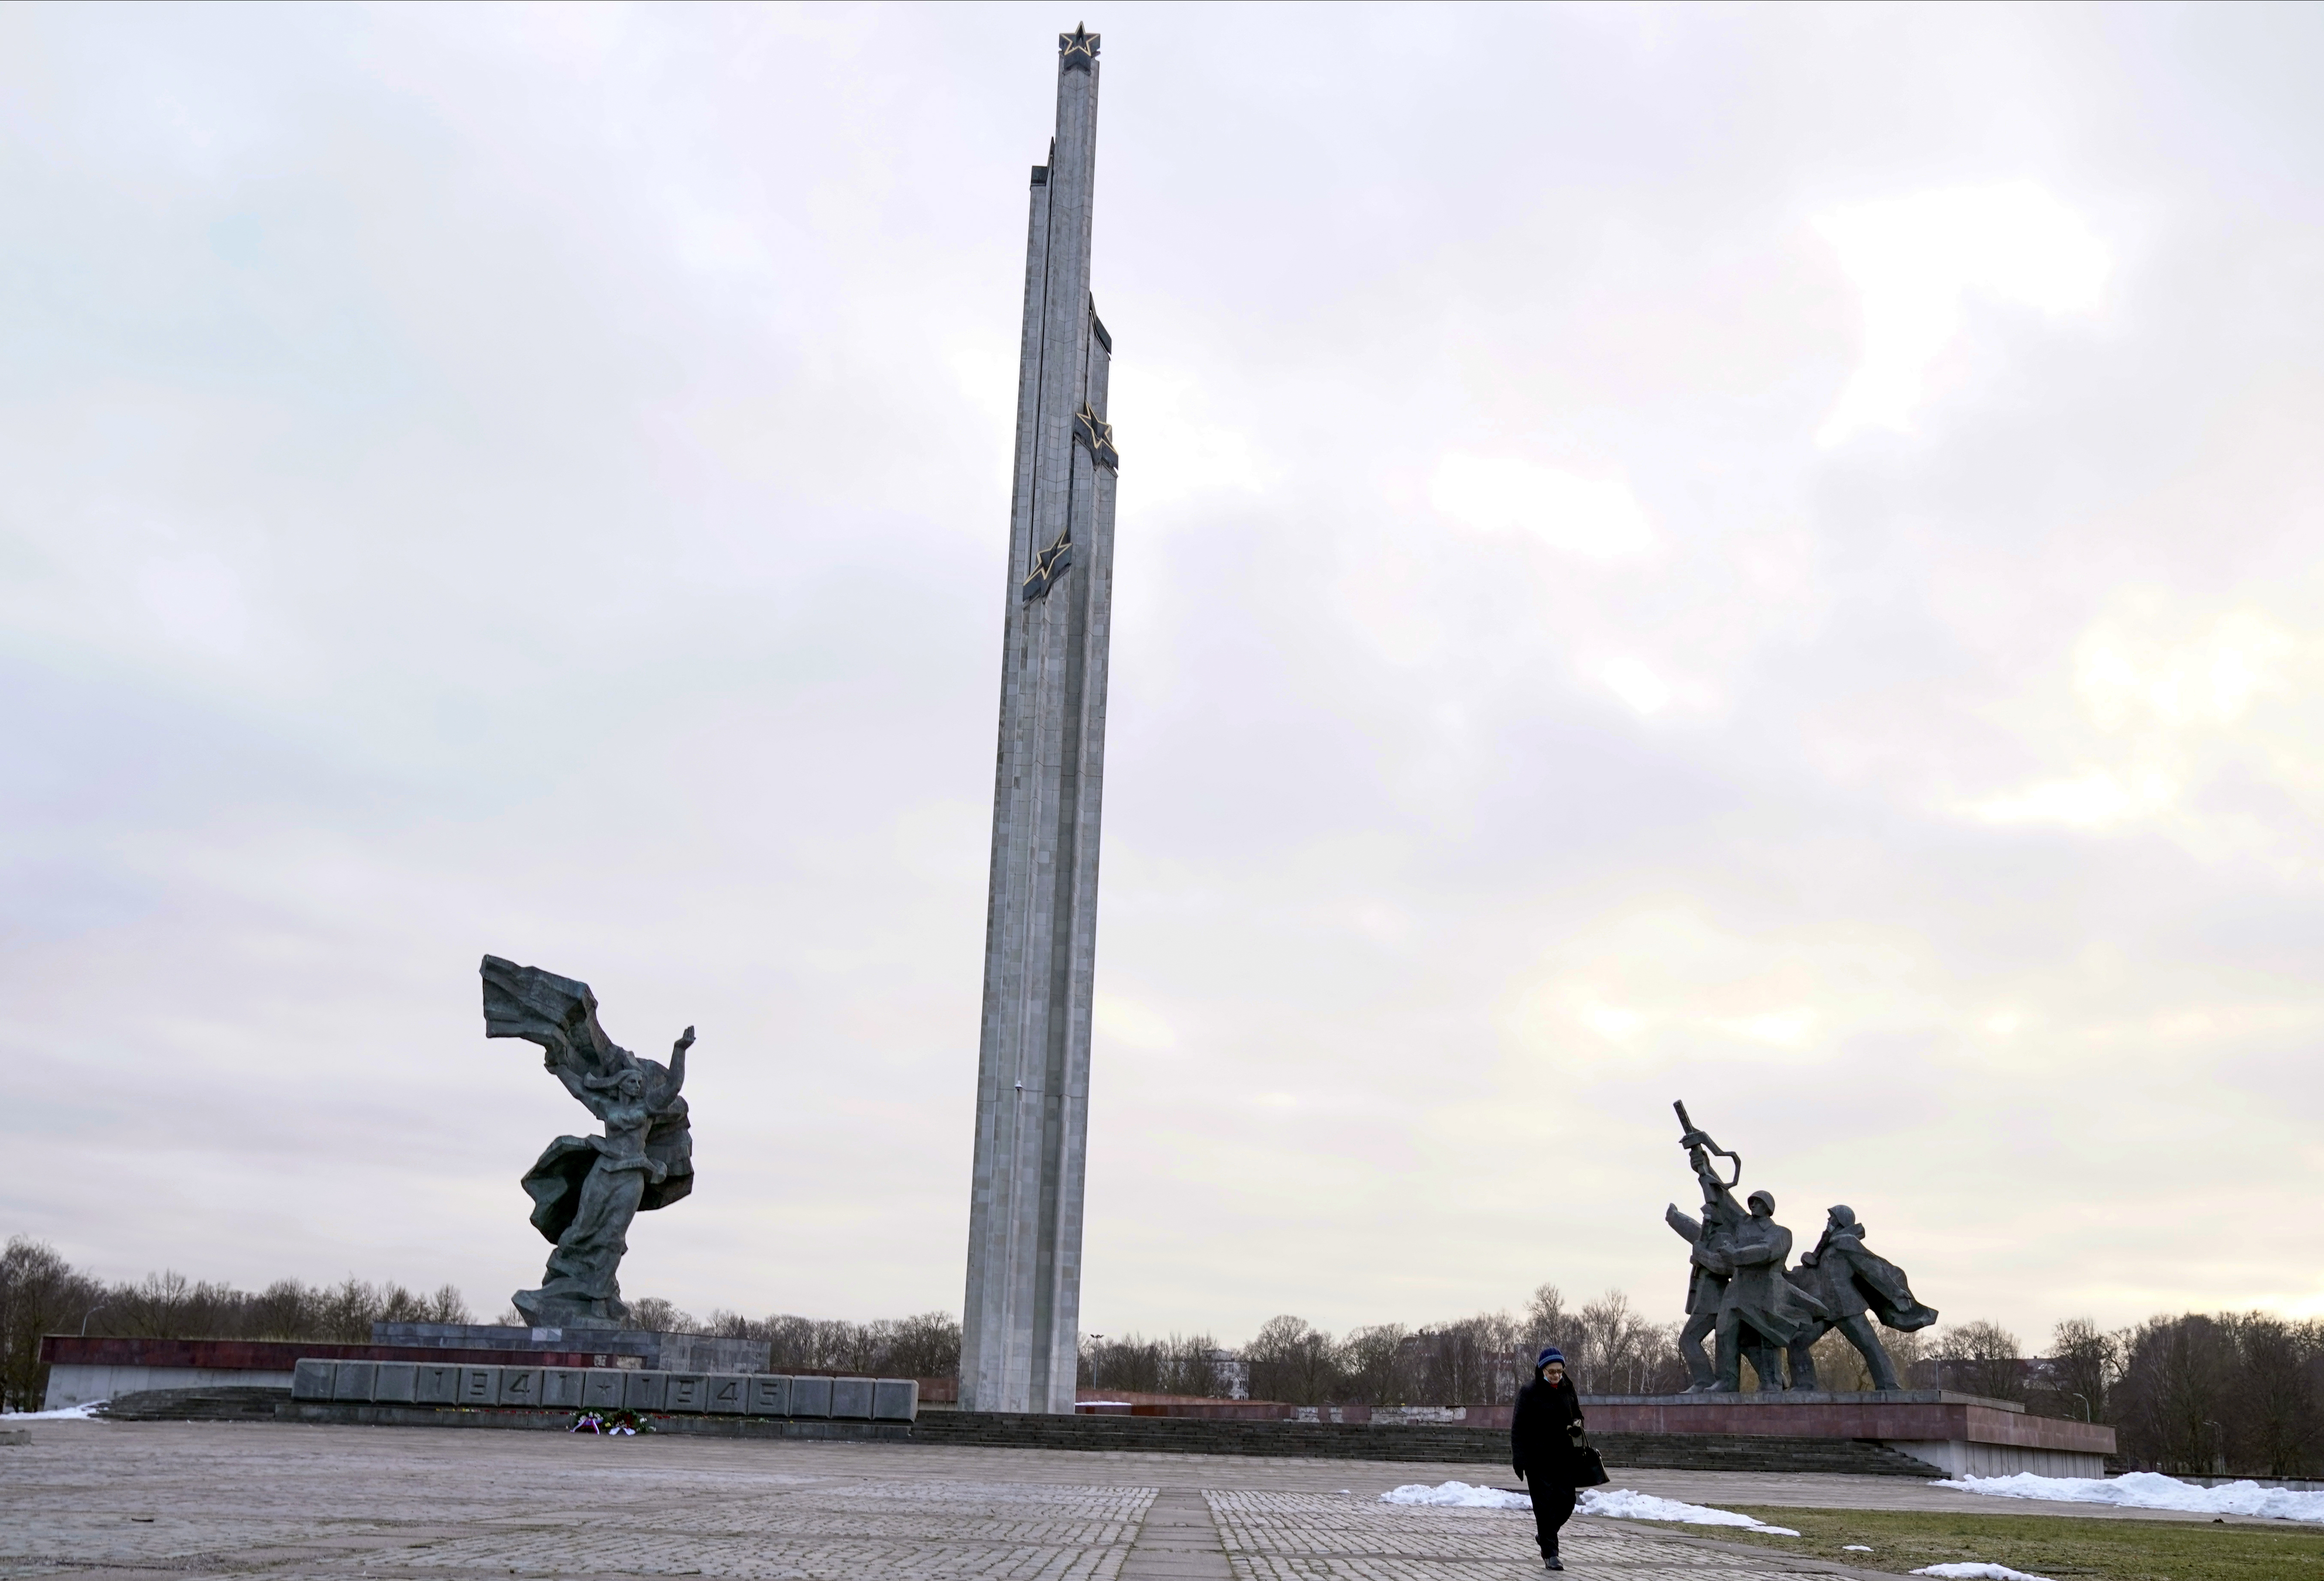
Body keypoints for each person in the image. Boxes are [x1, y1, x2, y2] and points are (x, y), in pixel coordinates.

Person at [1510, 1346, 1584, 1570]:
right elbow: (1518, 1428)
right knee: (1544, 1506)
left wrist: (1577, 1425)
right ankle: (1551, 1554)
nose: (1556, 1375)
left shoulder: (1568, 1389)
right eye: (1552, 1371)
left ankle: (1545, 1535)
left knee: (1567, 1502)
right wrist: (1520, 1460)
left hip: (1563, 1457)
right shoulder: (1529, 1392)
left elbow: (1578, 1415)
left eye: (1560, 1371)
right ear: (1542, 1369)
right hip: (1537, 1460)